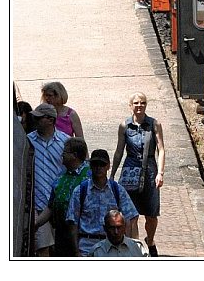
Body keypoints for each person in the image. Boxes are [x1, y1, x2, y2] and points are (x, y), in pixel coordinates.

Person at [111, 92, 165, 257]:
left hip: (149, 169)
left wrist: (160, 173)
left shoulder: (154, 124)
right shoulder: (124, 126)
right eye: (136, 103)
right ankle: (132, 245)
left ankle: (150, 240)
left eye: (142, 103)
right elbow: (119, 150)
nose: (139, 106)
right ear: (131, 106)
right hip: (130, 168)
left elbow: (161, 149)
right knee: (128, 211)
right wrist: (112, 173)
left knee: (151, 212)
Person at [67, 149, 139, 257]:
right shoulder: (80, 191)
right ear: (90, 166)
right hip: (86, 247)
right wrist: (76, 252)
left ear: (108, 166)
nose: (99, 167)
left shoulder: (118, 190)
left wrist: (127, 247)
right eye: (95, 164)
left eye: (102, 164)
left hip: (112, 247)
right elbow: (73, 223)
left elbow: (130, 218)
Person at [35, 137, 91, 256]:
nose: (62, 155)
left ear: (74, 155)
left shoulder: (89, 175)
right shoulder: (60, 177)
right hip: (62, 236)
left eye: (65, 152)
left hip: (83, 237)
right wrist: (36, 224)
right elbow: (51, 207)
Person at [27, 103, 69, 256]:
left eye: (39, 118)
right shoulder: (28, 141)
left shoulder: (65, 141)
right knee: (42, 250)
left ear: (51, 120)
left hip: (60, 205)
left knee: (62, 249)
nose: (35, 121)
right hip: (37, 205)